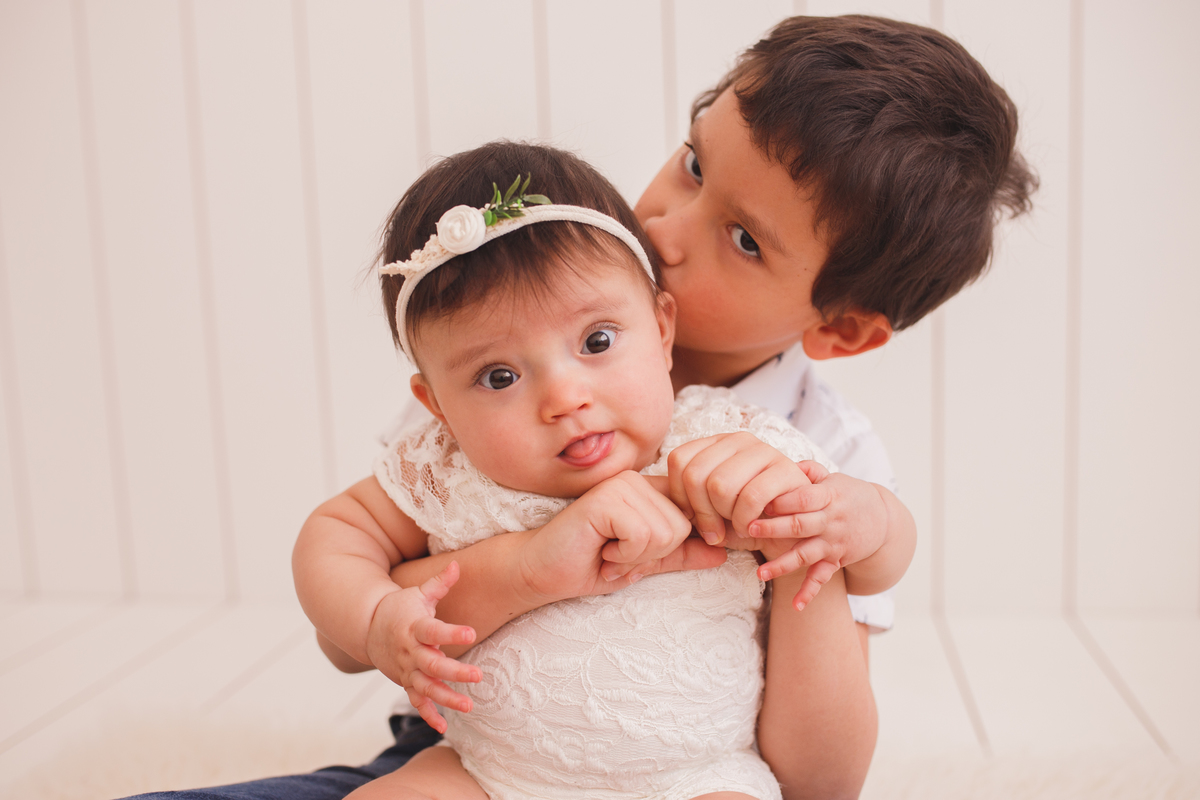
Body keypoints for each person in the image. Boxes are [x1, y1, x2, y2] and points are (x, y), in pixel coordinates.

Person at [127, 13, 1034, 800]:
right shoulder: (510, 337)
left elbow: (818, 781)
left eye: (744, 239)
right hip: (480, 760)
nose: (663, 228)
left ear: (841, 330)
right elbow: (354, 640)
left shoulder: (821, 455)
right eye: (690, 164)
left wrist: (809, 541)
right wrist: (526, 566)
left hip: (696, 775)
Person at [296, 140, 886, 800]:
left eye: (597, 342)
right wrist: (377, 617)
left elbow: (871, 555)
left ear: (661, 330)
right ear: (437, 405)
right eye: (499, 377)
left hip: (693, 781)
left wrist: (865, 518)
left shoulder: (723, 441)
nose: (563, 398)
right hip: (489, 774)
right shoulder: (449, 463)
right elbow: (335, 536)